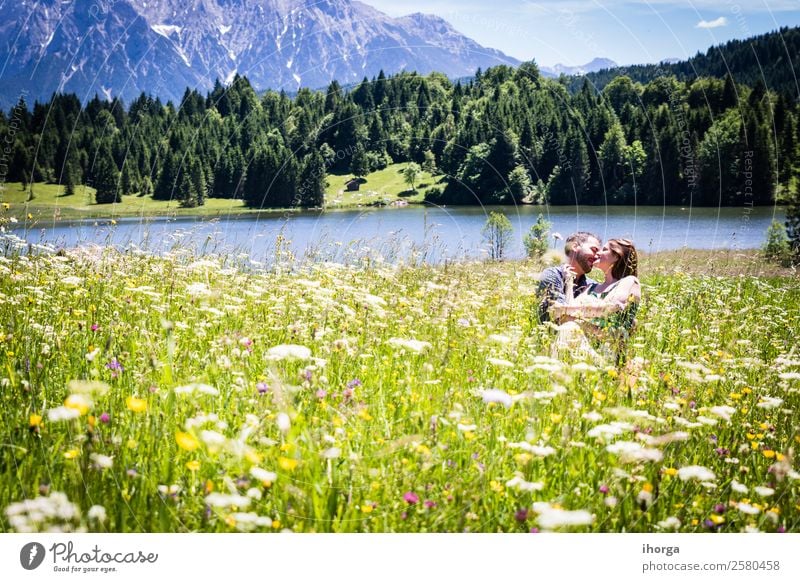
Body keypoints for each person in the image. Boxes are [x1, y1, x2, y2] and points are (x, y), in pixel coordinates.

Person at [549, 238, 641, 364]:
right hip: (583, 344)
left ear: (616, 256)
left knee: (569, 328)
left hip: (607, 354)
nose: (597, 253)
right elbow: (568, 311)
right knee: (568, 328)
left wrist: (567, 312)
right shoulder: (591, 288)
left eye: (604, 250)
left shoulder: (629, 281)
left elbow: (611, 308)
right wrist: (569, 281)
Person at [537, 231, 601, 324]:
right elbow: (562, 313)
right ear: (574, 247)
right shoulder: (552, 275)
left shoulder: (590, 285)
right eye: (594, 250)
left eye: (599, 254)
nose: (597, 257)